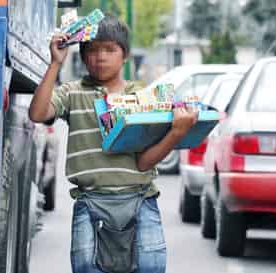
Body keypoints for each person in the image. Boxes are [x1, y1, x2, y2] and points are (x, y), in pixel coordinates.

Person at [29, 14, 197, 273]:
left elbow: (143, 162)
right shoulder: (72, 93)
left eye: (110, 49)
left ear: (125, 55)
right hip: (90, 200)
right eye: (93, 50)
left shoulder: (142, 97)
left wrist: (176, 132)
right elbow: (38, 114)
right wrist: (55, 64)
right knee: (85, 266)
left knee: (152, 266)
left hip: (140, 199)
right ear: (83, 56)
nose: (101, 57)